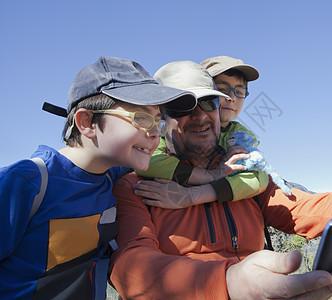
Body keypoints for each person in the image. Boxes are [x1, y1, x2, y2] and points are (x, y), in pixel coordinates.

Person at [108, 61, 332, 299]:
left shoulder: (243, 173)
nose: (199, 116)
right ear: (162, 119)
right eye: (182, 107)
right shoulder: (136, 185)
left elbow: (301, 206)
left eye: (209, 102)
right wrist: (227, 284)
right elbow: (132, 267)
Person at [0, 56, 196, 299]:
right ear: (87, 123)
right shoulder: (26, 183)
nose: (155, 134)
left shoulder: (113, 175)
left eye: (158, 121)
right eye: (141, 118)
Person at [135, 60, 269, 207]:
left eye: (209, 102)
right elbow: (146, 161)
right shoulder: (157, 140)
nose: (231, 98)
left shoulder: (238, 134)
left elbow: (259, 176)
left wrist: (195, 195)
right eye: (183, 106)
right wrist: (210, 177)